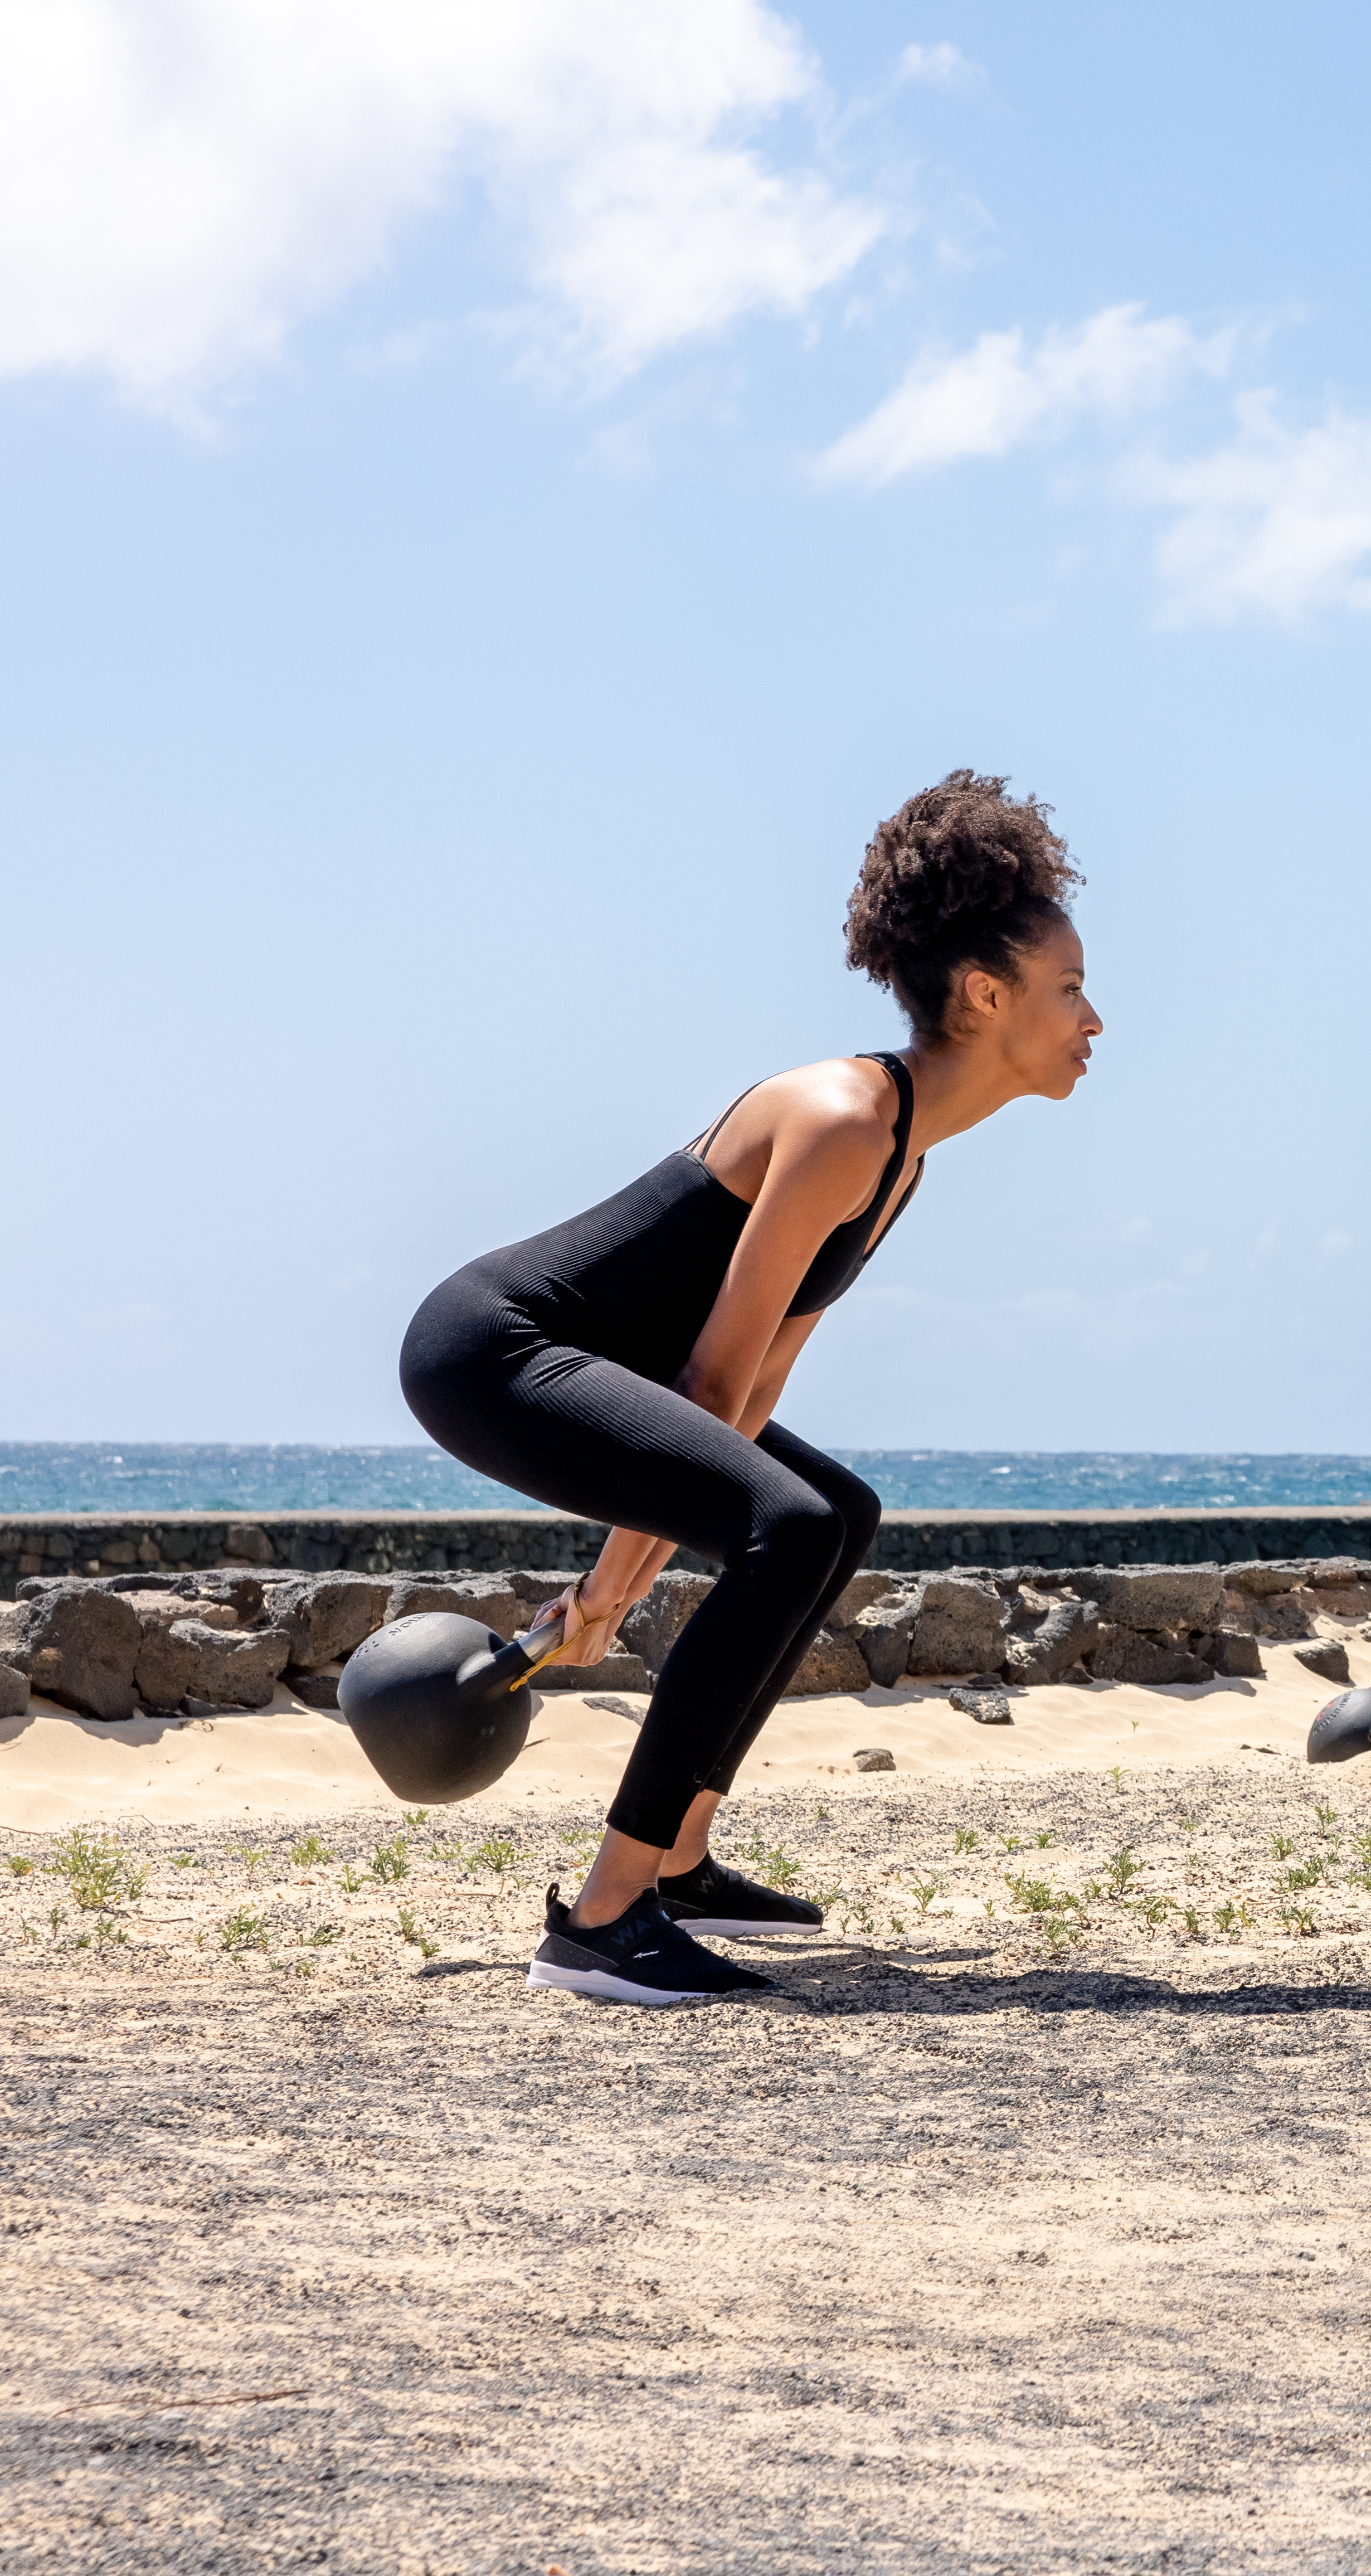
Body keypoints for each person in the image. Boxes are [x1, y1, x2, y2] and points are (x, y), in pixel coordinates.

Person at [397, 773, 1097, 2005]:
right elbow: (709, 1377)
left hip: (600, 1369)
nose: (1094, 1018)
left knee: (838, 1512)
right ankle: (602, 1922)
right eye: (1071, 985)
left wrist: (618, 1580)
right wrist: (609, 1593)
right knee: (794, 1524)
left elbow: (762, 1372)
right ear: (987, 995)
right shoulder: (840, 1117)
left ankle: (678, 1852)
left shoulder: (900, 1157)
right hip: (492, 1351)